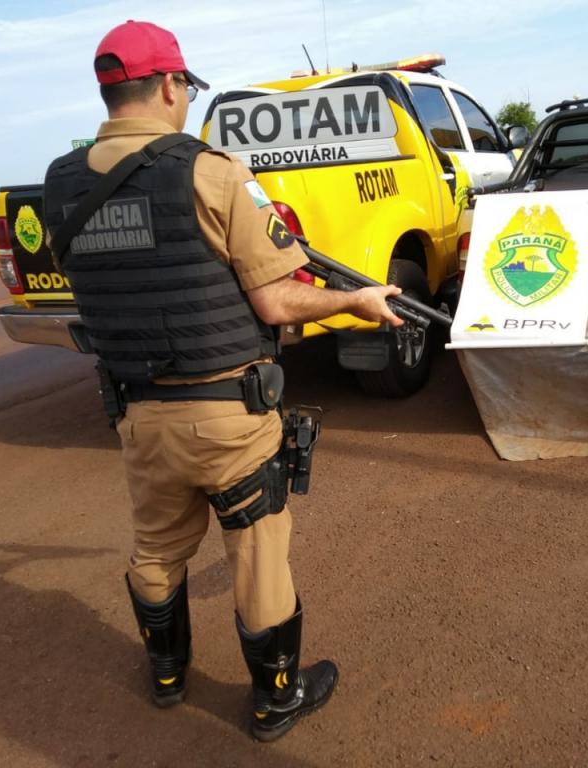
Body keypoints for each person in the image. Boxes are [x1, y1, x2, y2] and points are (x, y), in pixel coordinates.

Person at [41, 20, 403, 742]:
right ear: (170, 86)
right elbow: (277, 301)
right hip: (227, 417)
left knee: (155, 548)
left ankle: (167, 674)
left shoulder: (61, 182)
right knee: (258, 555)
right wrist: (355, 301)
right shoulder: (210, 172)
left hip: (138, 416)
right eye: (184, 87)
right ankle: (276, 699)